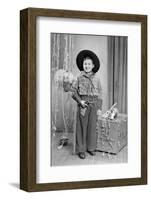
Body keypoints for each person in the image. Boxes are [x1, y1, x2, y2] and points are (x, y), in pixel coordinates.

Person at [71, 50, 102, 159]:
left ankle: (91, 148)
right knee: (81, 128)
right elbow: (73, 92)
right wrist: (80, 101)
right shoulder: (79, 78)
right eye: (85, 64)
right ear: (82, 65)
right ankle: (81, 149)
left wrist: (99, 108)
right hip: (83, 104)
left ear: (93, 65)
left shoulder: (97, 79)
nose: (87, 66)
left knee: (92, 127)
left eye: (89, 64)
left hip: (94, 105)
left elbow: (100, 94)